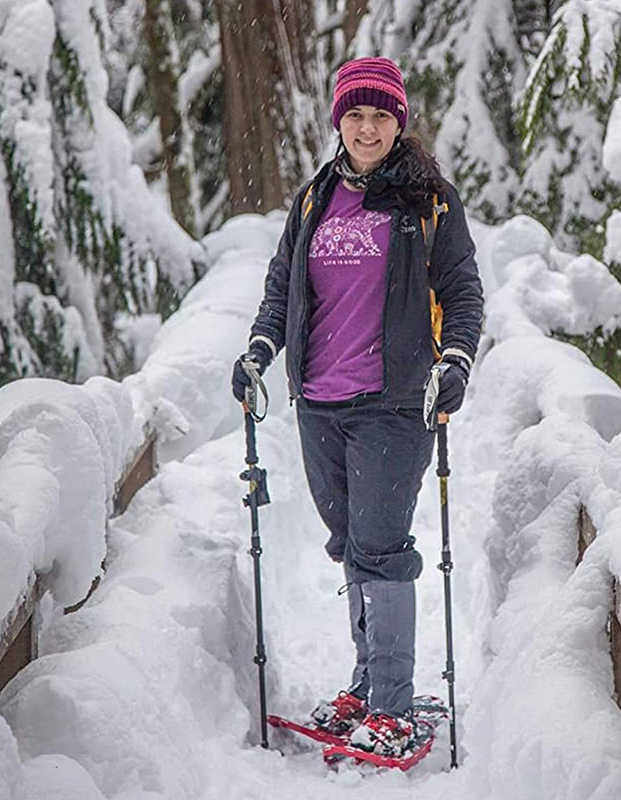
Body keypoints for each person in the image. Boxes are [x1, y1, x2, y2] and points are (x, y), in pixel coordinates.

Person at [232, 56, 483, 757]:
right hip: (317, 402)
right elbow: (283, 284)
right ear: (338, 120)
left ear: (398, 122)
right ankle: (367, 682)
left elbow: (462, 289)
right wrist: (259, 349)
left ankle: (394, 705)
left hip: (394, 403)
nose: (367, 127)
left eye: (380, 115)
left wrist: (455, 361)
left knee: (380, 547)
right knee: (352, 546)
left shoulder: (426, 201)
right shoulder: (315, 197)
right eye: (355, 114)